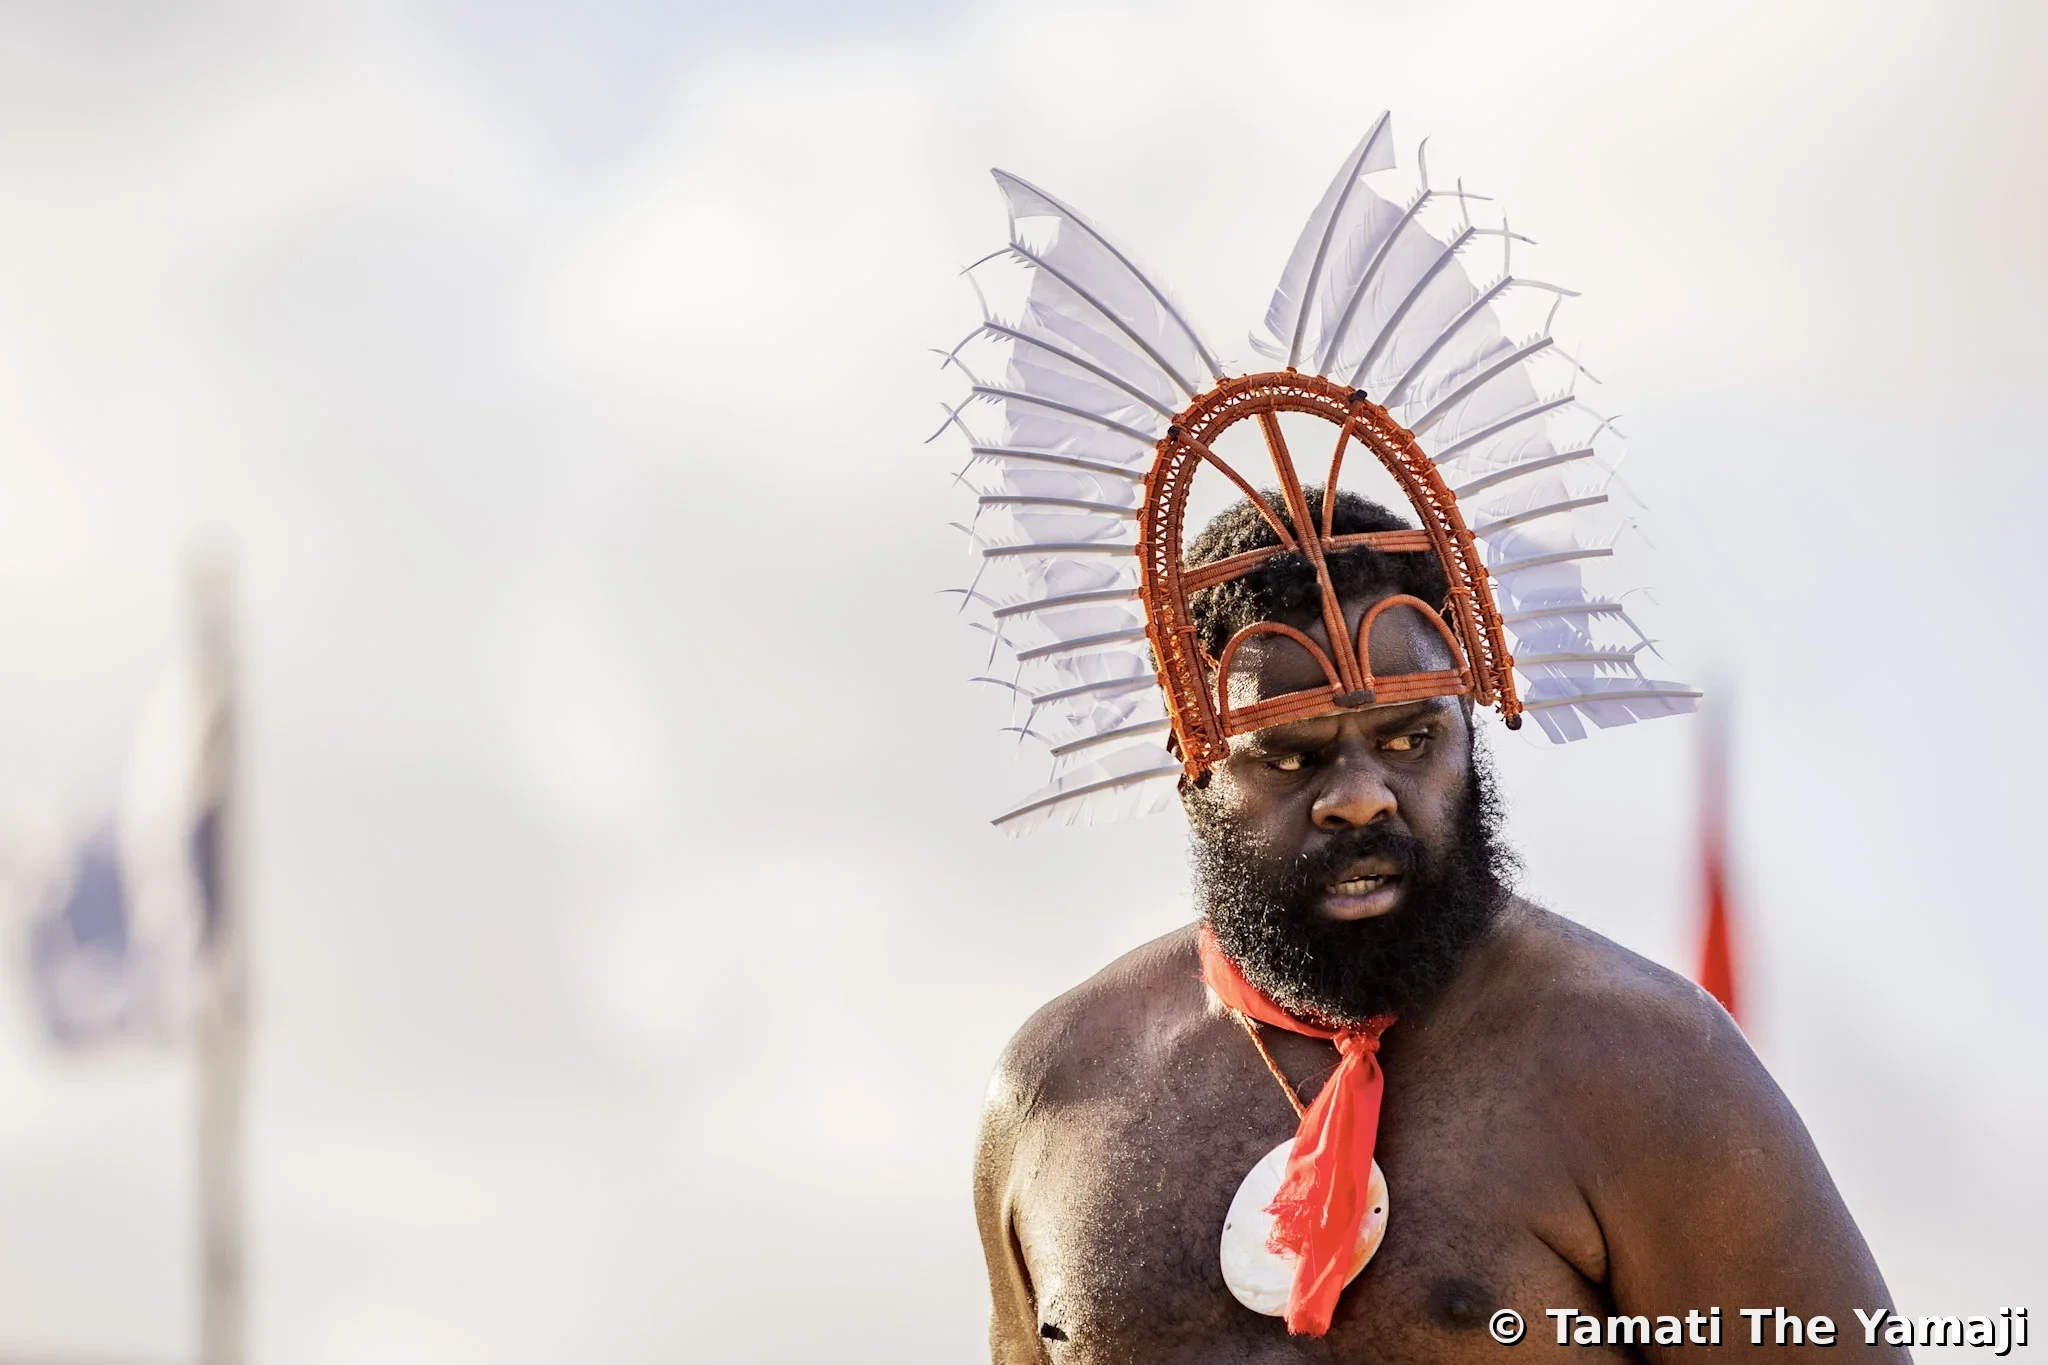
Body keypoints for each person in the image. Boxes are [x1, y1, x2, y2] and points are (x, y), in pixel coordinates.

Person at [970, 491, 1904, 1362]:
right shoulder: (1056, 1089)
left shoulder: (1646, 1066)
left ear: (1469, 729)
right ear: (1195, 765)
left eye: (1410, 739)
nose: (1360, 797)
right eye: (1293, 756)